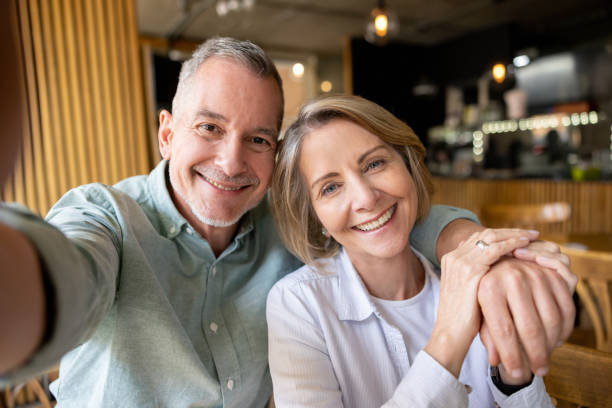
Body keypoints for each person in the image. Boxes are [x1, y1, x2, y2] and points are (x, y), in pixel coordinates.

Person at [0, 37, 574, 407]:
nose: (231, 161)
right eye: (208, 128)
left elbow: (381, 222)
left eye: (257, 140)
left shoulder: (286, 228)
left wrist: (471, 250)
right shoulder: (107, 217)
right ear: (167, 132)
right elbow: (71, 267)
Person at [267, 95, 572, 407]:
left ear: (408, 166)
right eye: (330, 188)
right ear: (314, 215)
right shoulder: (297, 304)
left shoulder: (482, 280)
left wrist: (512, 373)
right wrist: (449, 337)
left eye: (374, 164)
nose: (365, 199)